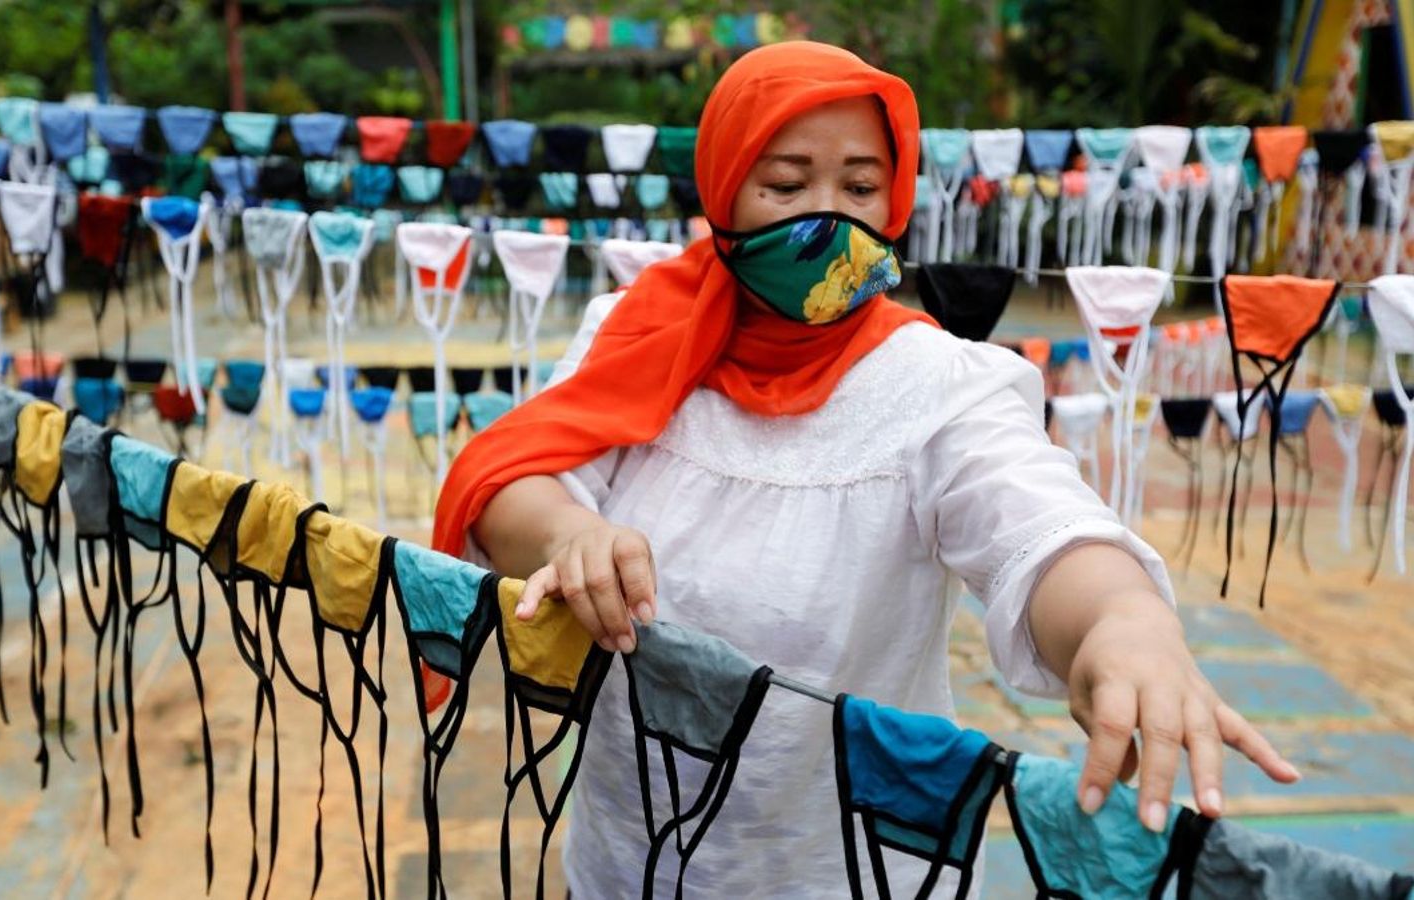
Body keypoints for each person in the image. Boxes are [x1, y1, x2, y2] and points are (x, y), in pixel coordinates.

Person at [434, 40, 1298, 897]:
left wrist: (1123, 620)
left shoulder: (938, 384)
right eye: (785, 186)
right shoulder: (635, 332)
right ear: (723, 186)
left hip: (852, 869)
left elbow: (1034, 519)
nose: (828, 221)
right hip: (631, 859)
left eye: (858, 188)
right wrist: (569, 534)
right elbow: (512, 478)